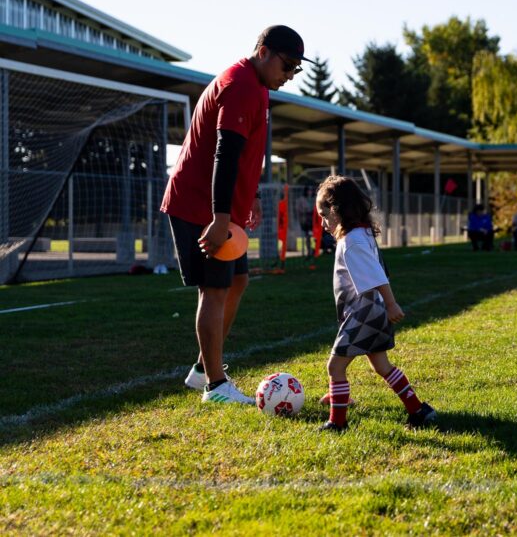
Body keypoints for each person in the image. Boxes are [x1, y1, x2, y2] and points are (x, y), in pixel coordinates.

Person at [161, 25, 309, 405]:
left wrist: (252, 193)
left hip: (221, 208)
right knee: (214, 289)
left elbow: (244, 153)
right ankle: (215, 385)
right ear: (263, 51)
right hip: (201, 206)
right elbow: (224, 154)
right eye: (287, 64)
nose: (289, 75)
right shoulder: (242, 84)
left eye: (296, 69)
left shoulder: (257, 86)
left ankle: (200, 370)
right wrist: (221, 217)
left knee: (237, 281)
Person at [315, 175, 436, 431]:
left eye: (324, 215)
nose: (323, 223)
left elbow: (376, 274)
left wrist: (391, 304)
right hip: (373, 311)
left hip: (364, 313)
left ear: (338, 210)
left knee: (335, 367)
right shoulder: (361, 234)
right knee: (382, 365)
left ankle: (338, 423)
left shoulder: (352, 242)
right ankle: (418, 410)